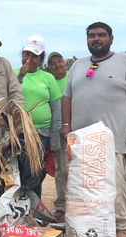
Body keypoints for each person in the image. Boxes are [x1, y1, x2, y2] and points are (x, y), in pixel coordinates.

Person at [61, 22, 126, 237]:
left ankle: (122, 224)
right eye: (91, 36)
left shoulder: (125, 62)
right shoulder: (77, 66)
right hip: (82, 140)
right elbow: (67, 98)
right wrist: (65, 125)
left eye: (101, 35)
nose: (96, 39)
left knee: (116, 183)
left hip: (114, 138)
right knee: (83, 183)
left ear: (111, 38)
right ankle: (84, 223)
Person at [15, 35, 62, 199]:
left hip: (42, 133)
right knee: (19, 168)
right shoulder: (13, 74)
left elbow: (56, 108)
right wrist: (20, 76)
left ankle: (34, 206)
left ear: (41, 59)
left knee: (36, 171)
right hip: (18, 131)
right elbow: (8, 97)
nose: (29, 59)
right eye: (26, 54)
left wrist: (55, 137)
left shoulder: (47, 78)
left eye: (35, 56)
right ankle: (18, 205)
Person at [46, 51, 69, 223]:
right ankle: (61, 206)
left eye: (60, 61)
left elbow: (92, 72)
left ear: (66, 63)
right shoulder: (50, 81)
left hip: (80, 129)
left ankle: (80, 204)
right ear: (49, 68)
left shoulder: (75, 76)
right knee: (62, 169)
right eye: (53, 63)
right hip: (60, 131)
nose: (57, 65)